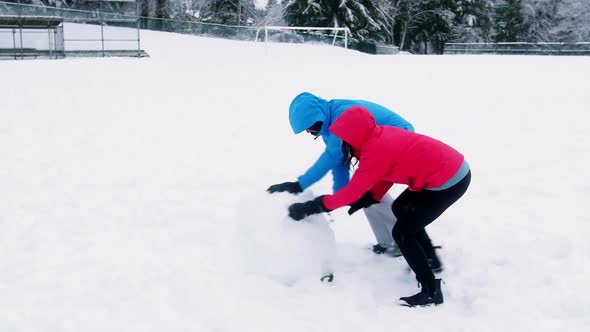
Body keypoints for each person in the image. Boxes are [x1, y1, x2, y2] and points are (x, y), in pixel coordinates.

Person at [287, 107, 471, 307]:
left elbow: (352, 191)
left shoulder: (375, 150)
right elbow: (389, 171)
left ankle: (430, 290)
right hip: (446, 170)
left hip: (449, 179)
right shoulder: (377, 137)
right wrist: (371, 196)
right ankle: (429, 259)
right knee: (400, 208)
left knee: (402, 233)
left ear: (353, 134)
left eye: (343, 138)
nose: (341, 143)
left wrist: (314, 206)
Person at [267, 92, 414, 257]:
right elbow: (340, 160)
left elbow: (331, 156)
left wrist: (300, 185)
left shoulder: (341, 116)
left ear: (317, 116)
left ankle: (405, 241)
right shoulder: (329, 126)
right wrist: (341, 195)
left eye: (309, 126)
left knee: (372, 194)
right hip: (376, 146)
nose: (308, 132)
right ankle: (388, 243)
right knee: (365, 197)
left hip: (397, 140)